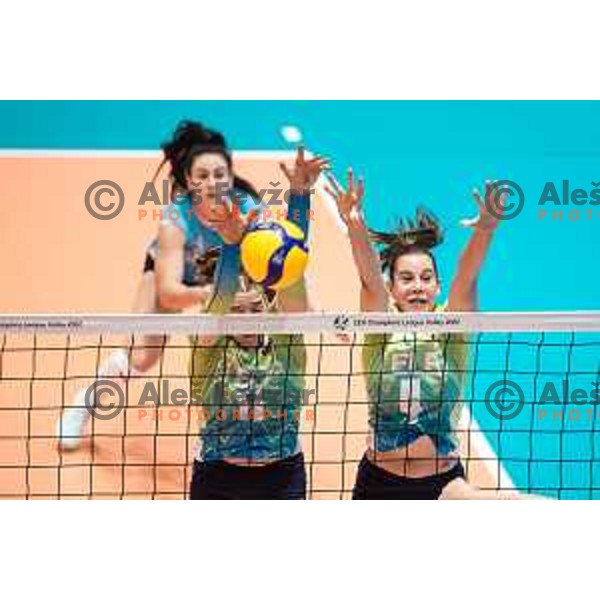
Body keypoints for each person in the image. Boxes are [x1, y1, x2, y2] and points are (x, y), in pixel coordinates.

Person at [57, 121, 259, 449]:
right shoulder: (175, 219)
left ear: (231, 176)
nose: (213, 183)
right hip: (175, 279)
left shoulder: (249, 210)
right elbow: (169, 291)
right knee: (140, 359)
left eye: (220, 174)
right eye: (203, 176)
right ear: (189, 181)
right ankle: (83, 405)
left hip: (222, 278)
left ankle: (218, 435)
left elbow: (262, 267)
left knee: (236, 352)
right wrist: (210, 296)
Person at [326, 171, 522, 499]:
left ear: (437, 286)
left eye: (426, 277)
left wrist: (485, 232)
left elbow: (466, 278)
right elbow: (369, 280)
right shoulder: (381, 330)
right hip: (380, 483)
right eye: (407, 278)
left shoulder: (450, 330)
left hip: (442, 485)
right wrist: (355, 225)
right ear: (393, 289)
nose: (417, 285)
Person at [187, 149, 329, 499]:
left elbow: (290, 264)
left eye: (256, 310)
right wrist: (233, 245)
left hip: (282, 477)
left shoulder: (285, 344)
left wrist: (299, 196)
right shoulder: (208, 348)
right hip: (217, 476)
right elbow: (218, 306)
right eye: (237, 313)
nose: (248, 320)